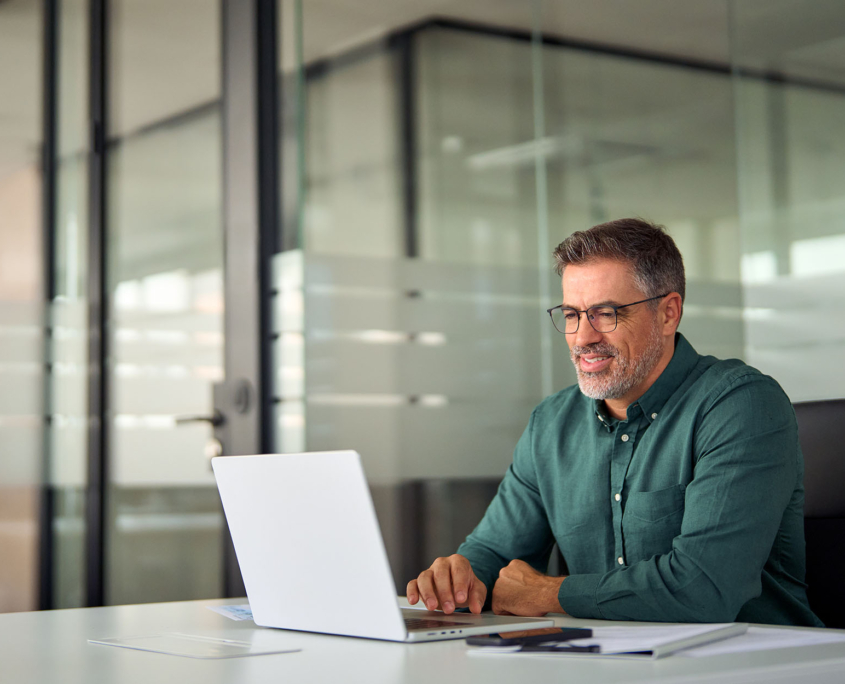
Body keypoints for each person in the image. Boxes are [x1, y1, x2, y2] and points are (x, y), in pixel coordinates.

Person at [407, 218, 822, 627]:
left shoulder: (740, 405)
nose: (583, 337)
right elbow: (493, 559)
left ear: (668, 313)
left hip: (752, 663)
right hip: (608, 663)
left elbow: (704, 588)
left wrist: (551, 593)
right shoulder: (551, 424)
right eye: (572, 314)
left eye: (606, 313)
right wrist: (457, 579)